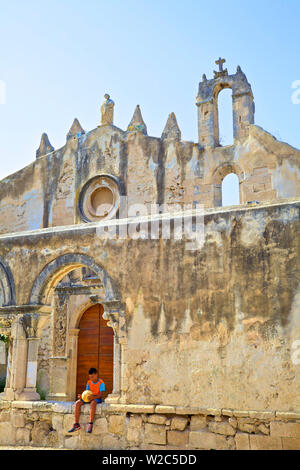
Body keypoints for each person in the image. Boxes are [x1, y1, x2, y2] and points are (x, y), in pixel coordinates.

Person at [68, 367, 105, 434]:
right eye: (90, 377)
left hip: (97, 398)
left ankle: (90, 423)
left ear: (96, 374)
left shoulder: (101, 383)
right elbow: (87, 392)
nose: (91, 379)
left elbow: (101, 395)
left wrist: (93, 397)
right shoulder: (89, 382)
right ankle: (76, 424)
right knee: (78, 403)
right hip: (89, 398)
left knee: (93, 402)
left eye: (92, 377)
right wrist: (81, 397)